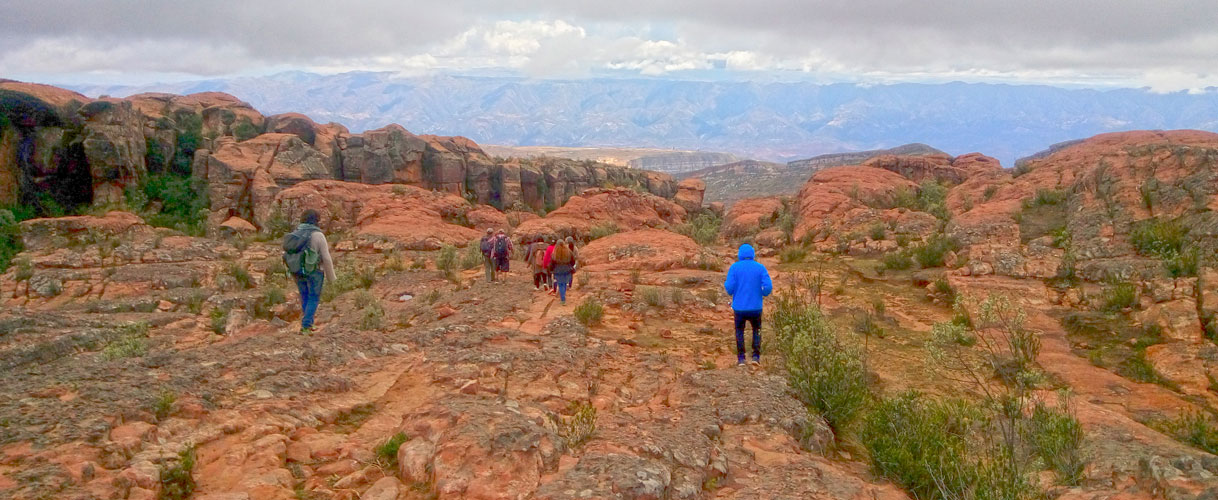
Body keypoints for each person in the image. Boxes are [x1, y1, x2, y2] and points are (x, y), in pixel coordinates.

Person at [283, 209, 337, 335]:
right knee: (313, 297)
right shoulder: (318, 235)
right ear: (316, 220)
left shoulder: (296, 233)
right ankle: (306, 326)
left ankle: (308, 323)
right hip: (314, 271)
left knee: (304, 296)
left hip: (297, 271)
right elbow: (326, 258)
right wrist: (332, 278)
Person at [723, 243, 773, 366]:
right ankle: (756, 357)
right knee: (757, 330)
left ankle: (741, 358)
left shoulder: (734, 268)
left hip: (739, 307)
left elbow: (729, 287)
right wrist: (762, 293)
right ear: (752, 254)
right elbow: (768, 287)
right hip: (756, 306)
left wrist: (734, 292)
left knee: (739, 331)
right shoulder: (760, 267)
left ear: (740, 254)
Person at [550, 239, 576, 305]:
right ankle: (563, 296)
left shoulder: (555, 253)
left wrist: (551, 270)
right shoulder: (568, 252)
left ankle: (563, 299)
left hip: (558, 271)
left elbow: (552, 263)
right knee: (564, 284)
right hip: (567, 270)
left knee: (560, 284)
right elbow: (573, 261)